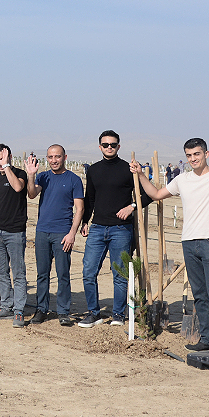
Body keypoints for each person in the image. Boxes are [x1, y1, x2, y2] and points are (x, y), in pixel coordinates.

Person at [132, 127, 209, 352]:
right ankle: (207, 338)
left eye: (197, 154)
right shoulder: (182, 180)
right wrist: (141, 175)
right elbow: (156, 195)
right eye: (189, 156)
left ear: (206, 154)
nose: (193, 159)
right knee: (200, 294)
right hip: (189, 242)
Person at [78, 131, 151, 328]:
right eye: (105, 144)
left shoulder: (129, 169)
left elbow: (148, 195)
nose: (109, 147)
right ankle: (94, 313)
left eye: (113, 144)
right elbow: (90, 198)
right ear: (99, 146)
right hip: (97, 228)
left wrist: (132, 207)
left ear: (119, 146)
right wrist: (85, 221)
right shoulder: (93, 170)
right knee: (88, 271)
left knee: (119, 274)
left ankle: (119, 314)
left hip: (121, 229)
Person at [25, 144, 84, 326]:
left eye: (57, 157)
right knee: (42, 274)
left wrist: (72, 233)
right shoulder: (43, 177)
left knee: (63, 274)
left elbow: (80, 209)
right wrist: (31, 175)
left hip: (62, 233)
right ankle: (41, 309)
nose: (54, 160)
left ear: (65, 157)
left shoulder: (74, 179)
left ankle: (63, 311)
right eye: (50, 157)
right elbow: (32, 194)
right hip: (42, 231)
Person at [0, 144, 30, 326]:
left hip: (15, 231)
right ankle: (6, 306)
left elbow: (18, 188)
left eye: (1, 159)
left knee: (18, 273)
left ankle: (19, 311)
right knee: (1, 272)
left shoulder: (20, 173)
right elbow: (0, 202)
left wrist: (7, 167)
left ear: (9, 157)